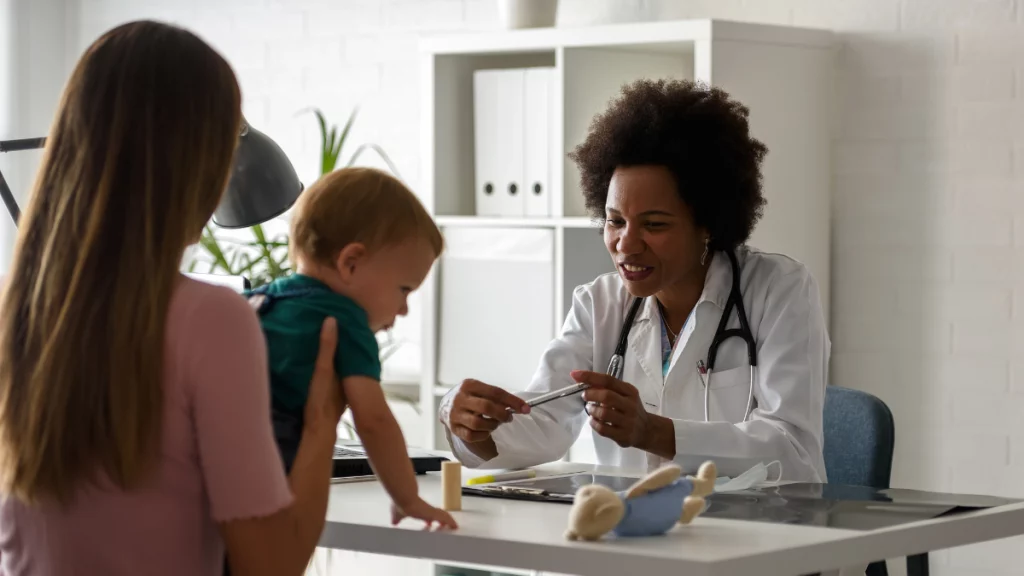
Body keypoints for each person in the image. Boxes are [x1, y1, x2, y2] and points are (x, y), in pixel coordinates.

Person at [0, 21, 346, 576]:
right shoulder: (210, 321)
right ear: (195, 160)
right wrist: (322, 418)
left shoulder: (14, 314)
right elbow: (269, 567)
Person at [439, 78, 830, 483]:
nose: (626, 244)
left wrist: (653, 431)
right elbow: (543, 424)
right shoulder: (600, 304)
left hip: (762, 530)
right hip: (633, 529)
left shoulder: (779, 290)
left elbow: (792, 450)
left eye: (654, 224)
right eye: (615, 221)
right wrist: (470, 423)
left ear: (709, 223)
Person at [249, 167, 456, 530]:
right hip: (269, 465)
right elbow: (373, 421)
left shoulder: (258, 300)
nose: (404, 309)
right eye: (404, 289)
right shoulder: (344, 323)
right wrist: (406, 497)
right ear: (351, 263)